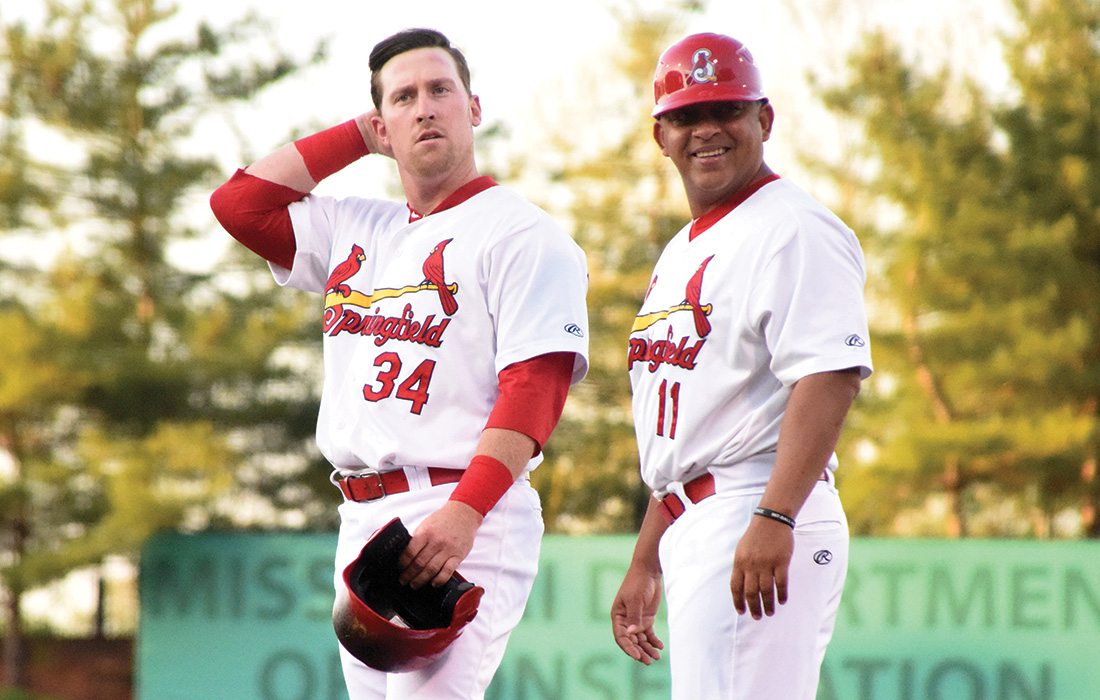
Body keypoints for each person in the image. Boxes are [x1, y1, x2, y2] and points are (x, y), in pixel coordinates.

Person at [209, 28, 589, 699]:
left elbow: (535, 388)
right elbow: (238, 204)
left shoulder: (522, 235)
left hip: (462, 502)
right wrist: (359, 134)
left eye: (441, 90)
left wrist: (465, 513)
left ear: (473, 107)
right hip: (366, 517)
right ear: (385, 123)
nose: (426, 108)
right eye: (405, 97)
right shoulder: (358, 226)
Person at [610, 32, 873, 699]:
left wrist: (776, 515)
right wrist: (647, 559)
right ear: (660, 135)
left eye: (725, 110)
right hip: (700, 513)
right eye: (686, 116)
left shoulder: (793, 226)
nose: (706, 130)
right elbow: (694, 422)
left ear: (764, 119)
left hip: (756, 505)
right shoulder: (684, 249)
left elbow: (829, 374)